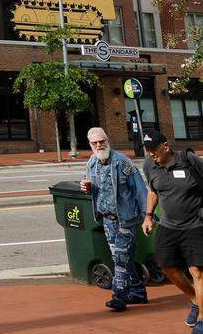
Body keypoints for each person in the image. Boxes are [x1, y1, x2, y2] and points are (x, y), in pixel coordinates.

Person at [81, 127, 148, 311]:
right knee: (122, 259)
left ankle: (119, 296)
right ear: (90, 144)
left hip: (126, 219)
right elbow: (87, 182)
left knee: (120, 258)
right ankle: (138, 292)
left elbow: (140, 190)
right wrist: (86, 187)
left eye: (101, 141)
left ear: (107, 140)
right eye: (94, 143)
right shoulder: (92, 162)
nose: (99, 145)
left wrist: (147, 216)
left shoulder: (122, 161)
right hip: (107, 221)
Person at [142, 130, 203, 330]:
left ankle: (202, 319)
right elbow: (153, 191)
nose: (151, 153)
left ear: (166, 146)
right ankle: (195, 300)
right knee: (166, 265)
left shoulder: (188, 160)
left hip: (195, 224)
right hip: (168, 225)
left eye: (154, 148)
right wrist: (148, 216)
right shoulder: (149, 165)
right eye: (148, 149)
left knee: (197, 271)